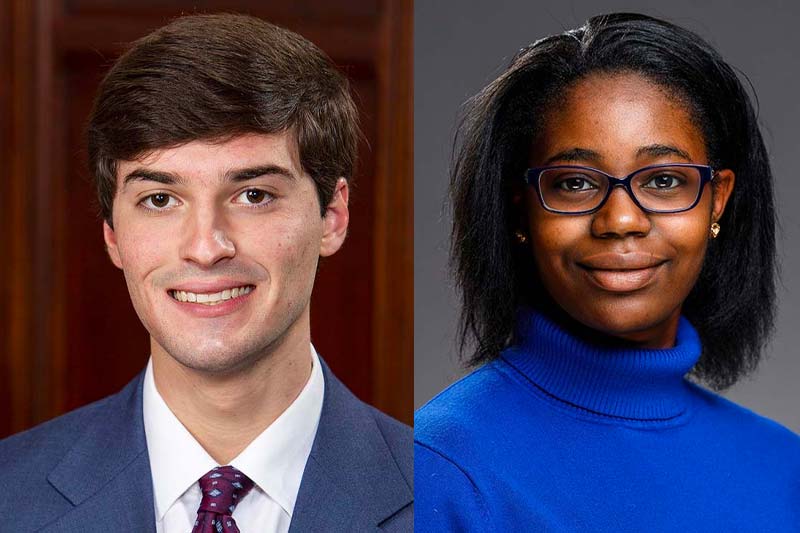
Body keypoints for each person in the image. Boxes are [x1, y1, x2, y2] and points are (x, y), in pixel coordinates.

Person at [0, 14, 412, 533]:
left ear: (332, 216)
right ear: (112, 234)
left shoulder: (447, 498)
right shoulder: (9, 497)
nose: (205, 248)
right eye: (160, 199)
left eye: (253, 195)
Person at [415, 13, 800, 532]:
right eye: (574, 183)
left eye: (664, 180)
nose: (620, 221)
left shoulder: (783, 467)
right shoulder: (438, 467)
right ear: (522, 211)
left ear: (717, 202)